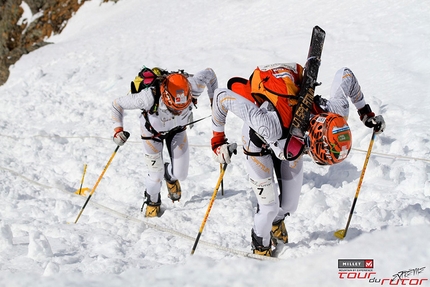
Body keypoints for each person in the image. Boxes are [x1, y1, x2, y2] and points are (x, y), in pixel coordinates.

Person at [210, 63, 385, 257]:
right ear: (312, 141)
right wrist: (218, 141)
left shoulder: (337, 112)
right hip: (258, 143)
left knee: (289, 205)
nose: (311, 156)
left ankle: (275, 222)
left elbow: (346, 75)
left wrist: (365, 113)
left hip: (289, 144)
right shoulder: (268, 126)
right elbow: (221, 96)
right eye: (314, 153)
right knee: (269, 207)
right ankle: (260, 246)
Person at [111, 66, 218, 217]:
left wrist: (214, 101)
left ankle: (170, 175)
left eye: (183, 107)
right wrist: (118, 130)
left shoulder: (194, 85)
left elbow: (210, 74)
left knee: (181, 174)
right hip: (152, 134)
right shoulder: (148, 97)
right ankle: (152, 201)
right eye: (174, 109)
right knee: (155, 176)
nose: (179, 111)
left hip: (177, 129)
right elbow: (117, 104)